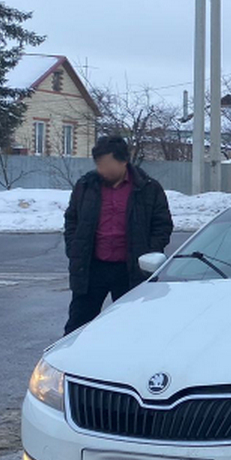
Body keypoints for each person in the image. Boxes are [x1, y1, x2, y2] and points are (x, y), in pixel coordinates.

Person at [63, 136, 173, 334]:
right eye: (98, 165)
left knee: (132, 328)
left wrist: (148, 253)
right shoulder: (86, 185)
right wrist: (74, 249)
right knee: (76, 328)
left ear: (123, 161)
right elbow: (72, 220)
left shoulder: (148, 188)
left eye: (106, 165)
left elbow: (162, 225)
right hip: (91, 268)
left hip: (131, 271)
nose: (101, 170)